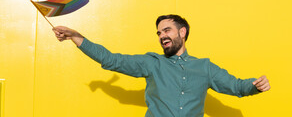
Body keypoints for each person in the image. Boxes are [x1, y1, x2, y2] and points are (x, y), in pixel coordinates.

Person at [52, 14, 270, 117]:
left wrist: (255, 85)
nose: (161, 36)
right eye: (159, 33)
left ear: (182, 32)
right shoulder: (152, 63)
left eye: (166, 30)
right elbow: (112, 60)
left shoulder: (205, 67)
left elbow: (236, 86)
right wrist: (76, 37)